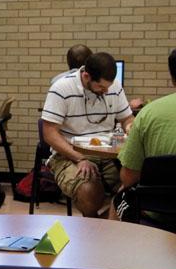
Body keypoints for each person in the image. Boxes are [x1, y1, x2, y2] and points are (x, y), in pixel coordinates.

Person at [42, 52, 134, 217]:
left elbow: (126, 118)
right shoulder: (61, 88)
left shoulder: (114, 86)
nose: (106, 91)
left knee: (133, 185)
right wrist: (80, 158)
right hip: (70, 153)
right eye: (101, 87)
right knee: (89, 191)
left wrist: (129, 127)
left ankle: (109, 227)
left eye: (108, 86)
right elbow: (49, 133)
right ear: (86, 76)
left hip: (108, 152)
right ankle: (96, 231)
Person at [110, 48, 176, 223]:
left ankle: (112, 249)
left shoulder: (148, 114)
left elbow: (128, 177)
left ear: (172, 78)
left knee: (119, 197)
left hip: (158, 211)